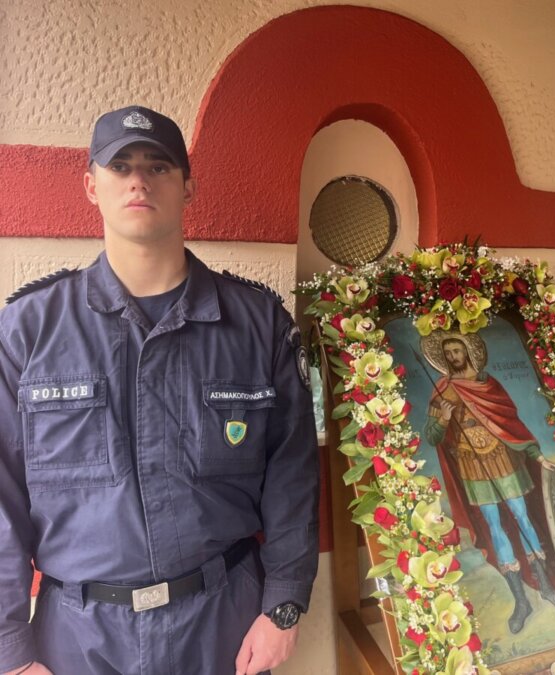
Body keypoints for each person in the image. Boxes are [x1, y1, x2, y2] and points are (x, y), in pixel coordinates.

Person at [0, 106, 319, 675]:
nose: (139, 181)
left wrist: (285, 605)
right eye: (120, 166)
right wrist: (10, 650)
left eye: (159, 166)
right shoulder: (28, 330)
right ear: (91, 186)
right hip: (79, 641)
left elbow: (292, 475)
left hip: (222, 626)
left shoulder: (257, 324)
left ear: (188, 187)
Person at [422, 333, 555, 634]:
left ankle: (545, 585)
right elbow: (432, 436)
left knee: (522, 517)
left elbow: (510, 424)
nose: (453, 357)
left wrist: (538, 456)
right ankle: (521, 601)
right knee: (494, 525)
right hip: (471, 465)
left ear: (468, 352)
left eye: (457, 350)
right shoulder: (442, 390)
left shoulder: (487, 384)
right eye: (448, 353)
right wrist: (443, 419)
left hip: (502, 458)